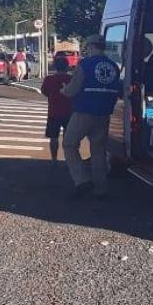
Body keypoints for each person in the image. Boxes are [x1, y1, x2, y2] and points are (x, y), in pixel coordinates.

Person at [61, 35, 122, 200]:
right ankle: (101, 188)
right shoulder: (114, 67)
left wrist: (64, 90)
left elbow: (73, 90)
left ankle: (82, 180)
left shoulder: (85, 64)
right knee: (98, 151)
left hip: (84, 111)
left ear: (90, 46)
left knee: (69, 144)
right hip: (104, 114)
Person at [40, 56, 73, 164]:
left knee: (53, 137)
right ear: (67, 67)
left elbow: (44, 92)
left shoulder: (49, 79)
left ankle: (54, 159)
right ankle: (69, 158)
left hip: (54, 112)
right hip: (69, 112)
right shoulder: (71, 79)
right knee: (68, 138)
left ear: (55, 67)